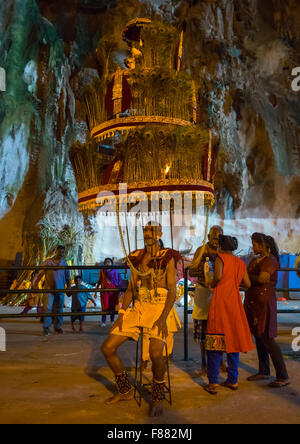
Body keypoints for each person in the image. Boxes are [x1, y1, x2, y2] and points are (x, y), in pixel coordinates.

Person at [101, 221, 180, 417]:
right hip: (139, 307)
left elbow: (172, 291)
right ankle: (125, 390)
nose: (147, 233)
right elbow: (129, 290)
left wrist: (162, 318)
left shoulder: (168, 256)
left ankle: (157, 398)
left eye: (152, 230)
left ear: (160, 232)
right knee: (107, 348)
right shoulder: (137, 256)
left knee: (155, 353)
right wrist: (121, 313)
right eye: (145, 230)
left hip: (161, 307)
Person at [204, 235, 253, 395]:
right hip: (234, 302)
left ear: (220, 246)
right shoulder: (240, 262)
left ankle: (213, 382)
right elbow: (248, 283)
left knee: (215, 341)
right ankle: (233, 379)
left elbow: (217, 276)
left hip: (221, 301)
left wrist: (211, 283)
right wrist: (233, 282)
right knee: (233, 340)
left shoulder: (220, 258)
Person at [244, 233, 290, 388]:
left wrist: (246, 276)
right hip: (254, 302)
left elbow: (263, 278)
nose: (253, 247)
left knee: (267, 338)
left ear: (264, 246)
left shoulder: (269, 260)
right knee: (259, 336)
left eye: (255, 245)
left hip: (264, 303)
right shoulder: (256, 260)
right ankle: (263, 370)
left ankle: (283, 376)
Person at [189, 226, 224, 375]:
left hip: (218, 294)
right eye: (214, 238)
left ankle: (219, 363)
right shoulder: (201, 250)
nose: (216, 241)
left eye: (219, 238)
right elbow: (192, 270)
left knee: (218, 331)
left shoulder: (224, 251)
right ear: (209, 236)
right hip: (203, 293)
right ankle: (204, 364)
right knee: (203, 334)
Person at [33, 246, 71, 336]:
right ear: (55, 251)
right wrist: (35, 285)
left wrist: (68, 288)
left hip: (60, 290)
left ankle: (57, 327)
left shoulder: (64, 264)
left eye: (62, 252)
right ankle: (46, 328)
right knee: (48, 309)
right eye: (59, 252)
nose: (61, 254)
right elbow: (39, 275)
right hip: (48, 290)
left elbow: (68, 278)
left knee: (59, 309)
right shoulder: (48, 262)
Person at [95, 258, 122, 327]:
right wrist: (95, 291)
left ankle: (112, 321)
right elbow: (99, 280)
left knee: (112, 306)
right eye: (106, 262)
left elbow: (119, 280)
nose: (107, 263)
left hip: (113, 291)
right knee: (104, 306)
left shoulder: (115, 271)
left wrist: (119, 291)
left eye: (109, 262)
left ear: (111, 263)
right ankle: (103, 322)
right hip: (104, 291)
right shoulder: (102, 270)